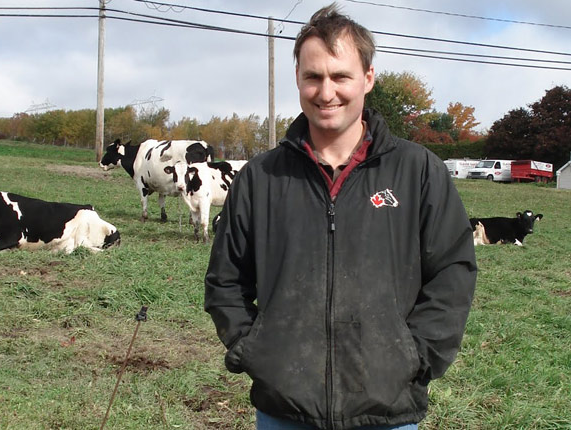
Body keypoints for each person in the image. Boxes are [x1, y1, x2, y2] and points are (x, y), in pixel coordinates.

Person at [204, 3, 477, 430]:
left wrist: (415, 356)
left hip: (388, 410)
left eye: (340, 76)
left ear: (368, 78)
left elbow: (453, 273)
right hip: (284, 410)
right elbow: (225, 281)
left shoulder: (419, 171)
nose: (326, 91)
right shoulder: (260, 178)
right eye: (313, 76)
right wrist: (254, 349)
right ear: (297, 78)